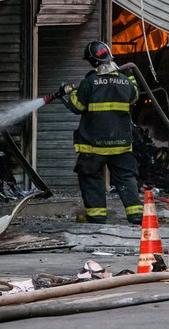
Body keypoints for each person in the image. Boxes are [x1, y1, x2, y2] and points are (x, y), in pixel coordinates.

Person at [61, 41, 144, 225]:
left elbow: (76, 106)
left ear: (92, 61)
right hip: (121, 144)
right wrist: (130, 77)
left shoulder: (90, 82)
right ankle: (136, 215)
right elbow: (135, 95)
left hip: (93, 145)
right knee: (126, 178)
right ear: (110, 55)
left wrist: (67, 93)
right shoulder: (124, 81)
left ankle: (97, 216)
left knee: (91, 179)